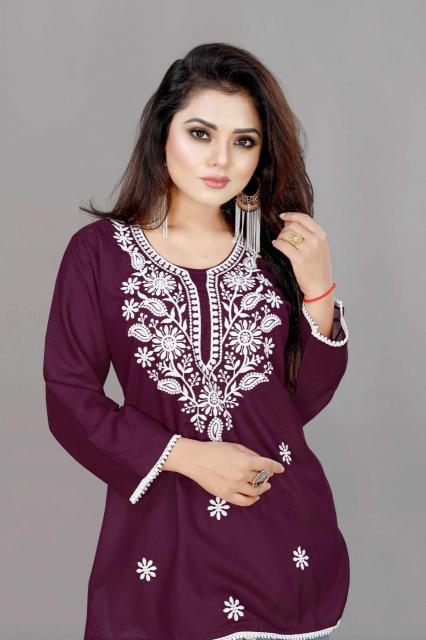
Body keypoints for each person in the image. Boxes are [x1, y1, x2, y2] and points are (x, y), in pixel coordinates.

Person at [43, 42, 349, 640]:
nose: (221, 159)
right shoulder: (99, 255)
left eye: (244, 141)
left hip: (283, 545)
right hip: (162, 557)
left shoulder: (273, 255)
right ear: (163, 133)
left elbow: (297, 404)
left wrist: (318, 291)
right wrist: (186, 455)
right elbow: (69, 399)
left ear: (261, 154)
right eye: (201, 133)